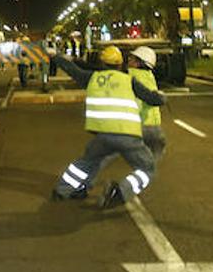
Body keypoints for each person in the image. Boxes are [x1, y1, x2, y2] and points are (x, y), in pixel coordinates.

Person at [50, 45, 164, 208]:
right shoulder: (128, 79)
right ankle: (121, 192)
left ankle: (63, 190)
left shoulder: (92, 78)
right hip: (129, 134)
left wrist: (56, 57)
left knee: (87, 161)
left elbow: (72, 70)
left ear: (102, 63)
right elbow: (153, 99)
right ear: (120, 64)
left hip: (103, 135)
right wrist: (162, 99)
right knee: (148, 169)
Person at [126, 46, 167, 163]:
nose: (129, 60)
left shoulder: (131, 75)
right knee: (152, 157)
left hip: (139, 124)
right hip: (151, 125)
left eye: (132, 59)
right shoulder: (149, 76)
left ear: (139, 63)